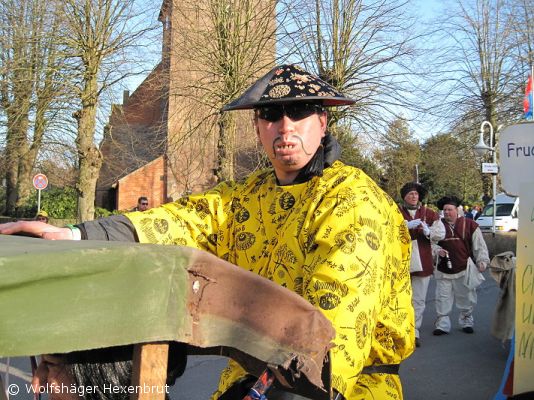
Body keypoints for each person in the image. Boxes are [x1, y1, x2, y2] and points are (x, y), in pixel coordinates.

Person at [0, 64, 414, 400]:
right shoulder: (246, 196)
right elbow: (179, 221)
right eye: (271, 114)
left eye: (300, 111)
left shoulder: (353, 200)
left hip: (343, 390)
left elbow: (333, 338)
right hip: (249, 383)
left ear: (322, 122)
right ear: (258, 126)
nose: (285, 126)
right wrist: (74, 235)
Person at [432, 196, 490, 335]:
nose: (447, 212)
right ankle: (442, 325)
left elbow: (479, 245)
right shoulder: (437, 226)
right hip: (443, 270)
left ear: (456, 210)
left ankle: (466, 321)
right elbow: (431, 243)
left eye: (450, 209)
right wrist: (437, 251)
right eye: (445, 210)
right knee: (442, 298)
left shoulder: (470, 225)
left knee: (466, 297)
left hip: (464, 268)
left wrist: (482, 260)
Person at [398, 182, 444, 348]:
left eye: (416, 194)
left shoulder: (429, 213)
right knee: (400, 298)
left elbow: (441, 233)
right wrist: (402, 227)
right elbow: (384, 229)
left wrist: (429, 232)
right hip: (400, 261)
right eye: (410, 194)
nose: (413, 196)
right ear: (404, 197)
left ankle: (414, 331)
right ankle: (401, 330)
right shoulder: (396, 212)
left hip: (423, 260)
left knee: (418, 299)